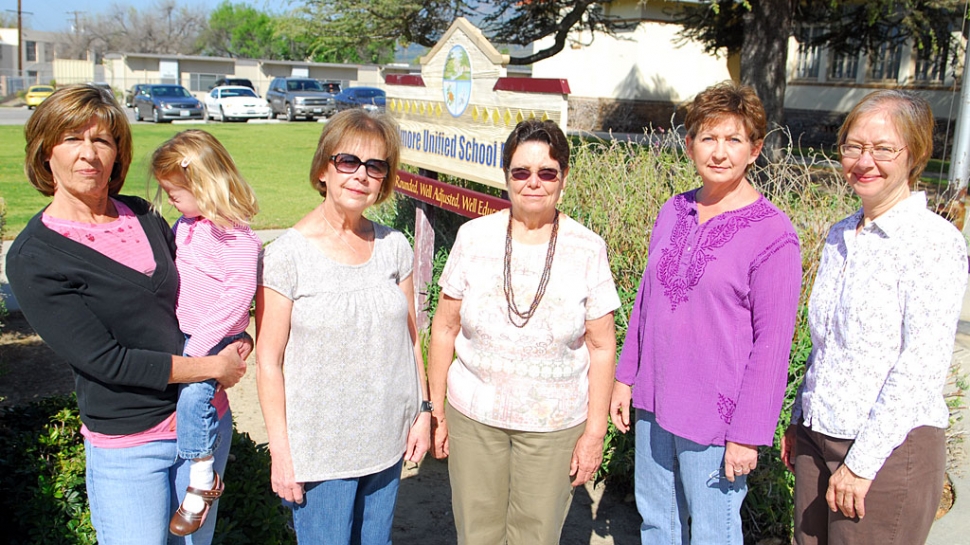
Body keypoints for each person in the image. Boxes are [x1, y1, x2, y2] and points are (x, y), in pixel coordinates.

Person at [5, 83, 248, 545]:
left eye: (102, 140)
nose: (89, 153)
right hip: (131, 443)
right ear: (45, 152)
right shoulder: (34, 257)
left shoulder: (143, 215)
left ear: (118, 152)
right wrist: (213, 366)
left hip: (204, 424)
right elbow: (107, 360)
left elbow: (203, 285)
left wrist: (236, 332)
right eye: (72, 138)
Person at [609, 82, 802, 544]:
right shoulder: (674, 210)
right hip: (656, 399)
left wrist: (747, 433)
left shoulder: (773, 235)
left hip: (716, 418)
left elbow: (772, 346)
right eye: (708, 138)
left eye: (733, 140)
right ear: (689, 143)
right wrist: (625, 376)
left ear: (755, 149)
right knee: (657, 522)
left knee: (714, 531)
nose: (719, 152)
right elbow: (646, 300)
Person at [780, 90, 968, 545]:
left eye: (884, 148)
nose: (865, 161)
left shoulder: (932, 243)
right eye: (853, 146)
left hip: (886, 451)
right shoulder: (842, 233)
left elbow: (920, 365)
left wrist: (861, 464)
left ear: (916, 154)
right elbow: (827, 344)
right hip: (817, 437)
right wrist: (800, 418)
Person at [428, 119, 620, 545]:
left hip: (553, 427)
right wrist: (435, 409)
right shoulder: (473, 237)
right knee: (477, 533)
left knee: (535, 536)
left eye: (547, 172)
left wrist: (594, 432)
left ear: (563, 177)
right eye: (521, 172)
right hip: (474, 417)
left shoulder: (588, 248)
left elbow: (603, 346)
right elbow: (444, 328)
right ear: (506, 176)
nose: (533, 182)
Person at [255, 109, 430, 544]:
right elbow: (268, 362)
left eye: (375, 166)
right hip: (321, 453)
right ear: (324, 169)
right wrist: (281, 454)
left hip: (387, 439)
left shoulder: (395, 247)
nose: (361, 176)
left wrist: (422, 412)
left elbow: (411, 341)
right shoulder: (287, 256)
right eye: (348, 161)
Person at [150, 130, 261, 536]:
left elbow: (237, 297)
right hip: (189, 332)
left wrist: (199, 352)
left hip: (210, 337)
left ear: (203, 185)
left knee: (196, 394)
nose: (171, 201)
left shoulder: (237, 238)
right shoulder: (186, 226)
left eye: (176, 193)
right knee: (191, 394)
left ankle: (201, 477)